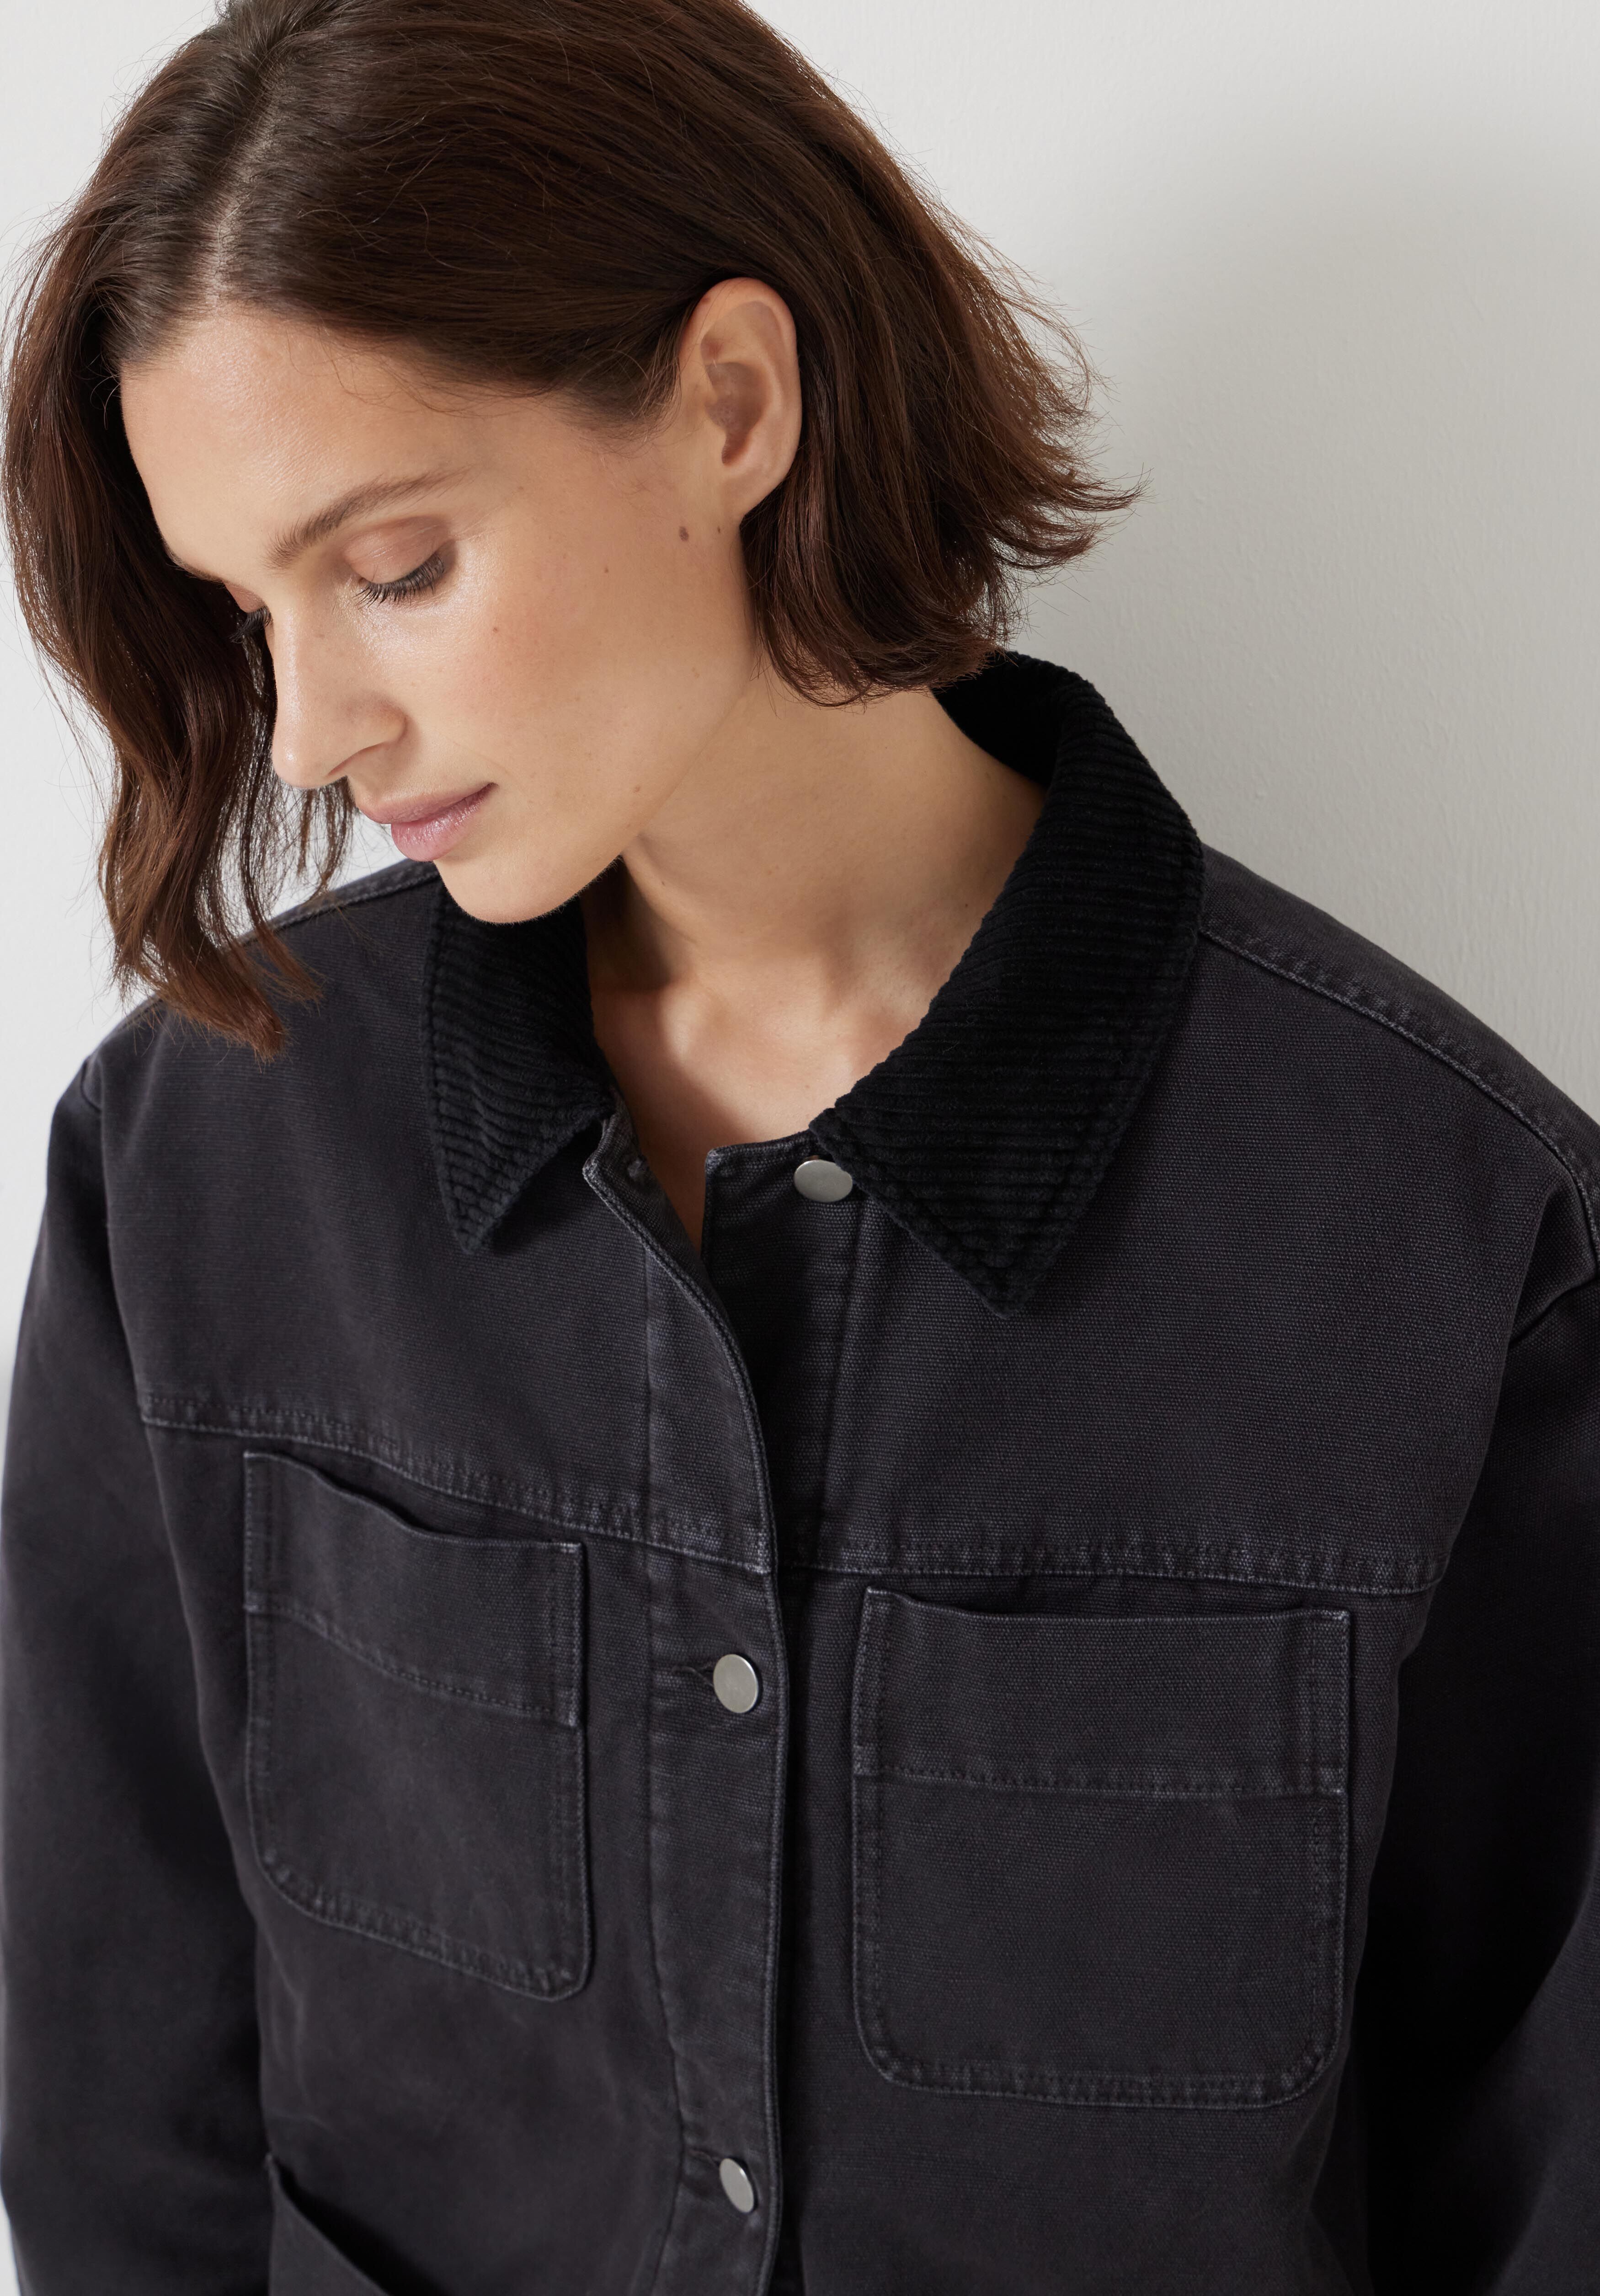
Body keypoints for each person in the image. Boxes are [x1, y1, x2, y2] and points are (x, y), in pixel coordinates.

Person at [2, 0, 1596, 2289]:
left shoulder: (1443, 1243)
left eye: (397, 563)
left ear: (733, 400)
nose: (316, 728)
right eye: (249, 609)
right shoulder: (198, 1166)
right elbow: (121, 2115)